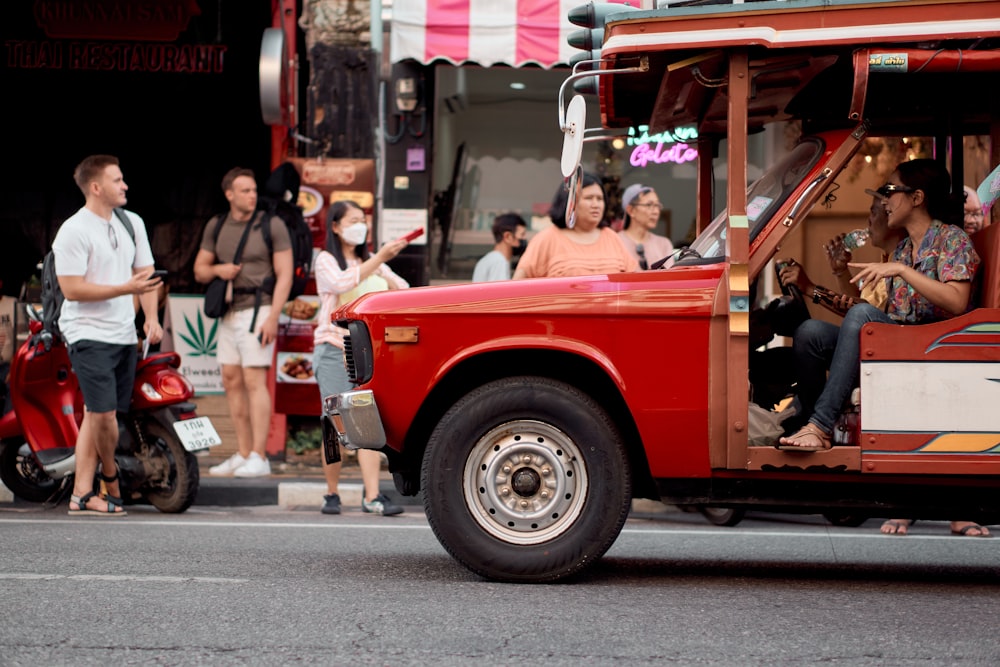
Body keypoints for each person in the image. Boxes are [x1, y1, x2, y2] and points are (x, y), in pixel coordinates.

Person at [778, 159, 979, 456]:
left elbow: (957, 301)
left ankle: (820, 425)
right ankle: (812, 424)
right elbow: (866, 312)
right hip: (899, 342)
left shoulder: (952, 239)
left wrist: (902, 270)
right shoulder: (903, 249)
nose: (884, 201)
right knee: (811, 332)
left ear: (917, 198)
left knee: (861, 316)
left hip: (932, 347)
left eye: (889, 190)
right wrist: (829, 280)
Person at [53, 155, 164, 516]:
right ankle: (111, 479)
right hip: (86, 332)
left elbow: (145, 276)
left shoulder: (132, 223)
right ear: (97, 187)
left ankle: (81, 494)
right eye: (117, 180)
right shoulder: (74, 230)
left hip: (122, 333)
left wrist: (150, 317)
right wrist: (123, 289)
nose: (125, 185)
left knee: (98, 413)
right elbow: (71, 289)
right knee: (103, 416)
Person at [195, 167, 293, 478]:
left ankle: (260, 456)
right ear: (229, 194)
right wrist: (219, 271)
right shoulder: (218, 224)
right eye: (245, 191)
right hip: (229, 311)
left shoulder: (271, 224)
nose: (252, 195)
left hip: (260, 309)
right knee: (231, 380)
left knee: (254, 381)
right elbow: (200, 269)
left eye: (254, 190)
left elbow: (285, 273)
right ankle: (243, 451)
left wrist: (274, 316)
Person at [315, 200, 409, 516]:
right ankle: (331, 493)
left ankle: (372, 496)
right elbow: (341, 283)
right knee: (334, 424)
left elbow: (403, 289)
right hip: (333, 350)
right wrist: (379, 258)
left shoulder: (374, 263)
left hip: (367, 353)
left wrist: (383, 263)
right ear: (336, 227)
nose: (360, 225)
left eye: (363, 219)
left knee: (366, 421)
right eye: (353, 220)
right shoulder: (326, 260)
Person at [512, 173, 639, 279]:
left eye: (600, 199)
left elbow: (635, 281)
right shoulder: (546, 239)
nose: (596, 204)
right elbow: (517, 287)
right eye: (589, 198)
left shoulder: (611, 237)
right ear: (569, 203)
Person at [617, 183, 674, 270]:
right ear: (631, 210)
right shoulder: (615, 241)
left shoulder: (664, 244)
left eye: (657, 205)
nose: (656, 212)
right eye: (649, 205)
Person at [472, 213, 528, 282]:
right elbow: (501, 292)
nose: (524, 239)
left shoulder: (491, 259)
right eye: (522, 234)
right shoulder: (499, 262)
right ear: (508, 236)